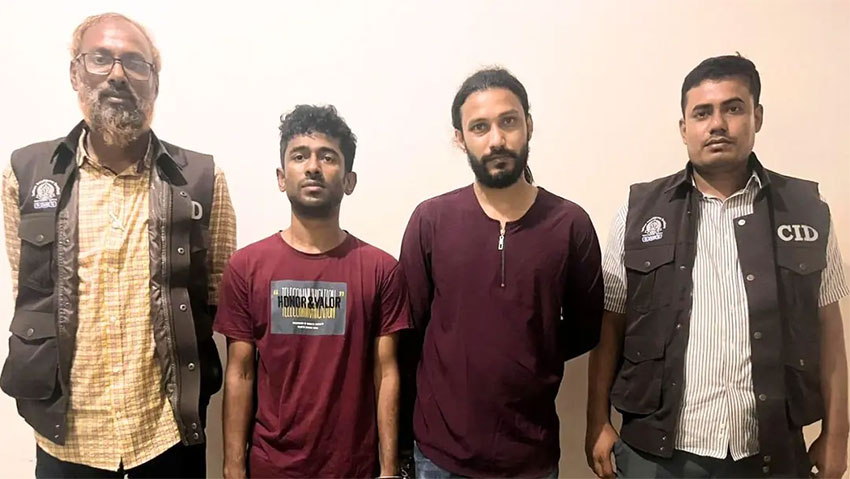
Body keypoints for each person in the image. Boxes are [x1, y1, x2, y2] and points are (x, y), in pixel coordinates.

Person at [585, 54, 849, 479]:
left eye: (733, 108)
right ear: (684, 128)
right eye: (702, 113)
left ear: (757, 116)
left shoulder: (806, 211)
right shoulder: (637, 214)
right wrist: (597, 421)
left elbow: (830, 333)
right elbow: (610, 326)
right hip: (656, 454)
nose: (718, 124)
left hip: (771, 453)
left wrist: (837, 435)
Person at [0, 12, 236, 478]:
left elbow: (218, 298)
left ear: (155, 82)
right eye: (100, 59)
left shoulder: (202, 180)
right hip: (67, 437)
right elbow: (30, 293)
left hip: (166, 433)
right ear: (75, 72)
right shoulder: (24, 175)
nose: (117, 74)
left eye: (135, 62)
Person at [399, 67, 604, 478]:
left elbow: (585, 330)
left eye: (508, 121)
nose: (496, 140)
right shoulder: (431, 220)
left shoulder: (569, 224)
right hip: (439, 457)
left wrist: (527, 353)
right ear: (460, 138)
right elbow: (409, 333)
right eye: (479, 127)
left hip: (530, 457)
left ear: (528, 125)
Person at [215, 104, 410, 478]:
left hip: (354, 468)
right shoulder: (246, 267)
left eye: (328, 157)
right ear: (281, 177)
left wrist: (388, 470)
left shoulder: (381, 270)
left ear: (349, 181)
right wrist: (233, 468)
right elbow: (239, 373)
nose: (313, 167)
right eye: (300, 156)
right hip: (272, 467)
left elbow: (386, 374)